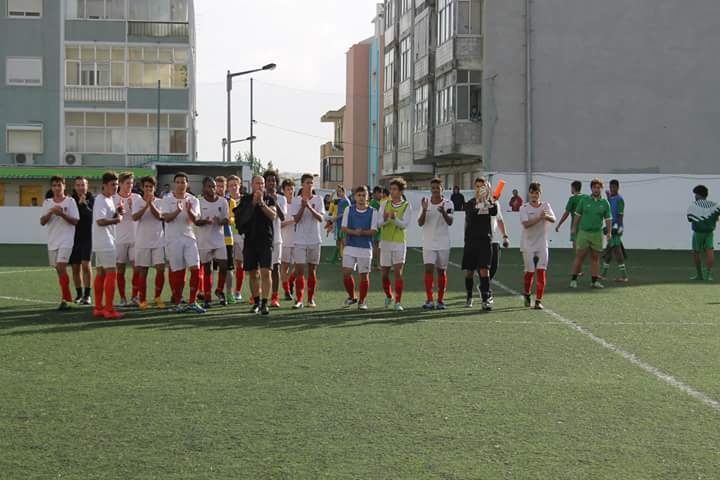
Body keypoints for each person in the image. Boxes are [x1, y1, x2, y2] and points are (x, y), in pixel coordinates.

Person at [161, 172, 205, 313]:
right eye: (178, 182)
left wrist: (189, 210)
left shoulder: (193, 200)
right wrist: (177, 211)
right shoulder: (167, 199)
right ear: (175, 184)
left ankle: (192, 301)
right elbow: (166, 218)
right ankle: (178, 302)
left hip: (189, 238)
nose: (180, 185)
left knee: (195, 268)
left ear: (187, 184)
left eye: (183, 182)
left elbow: (195, 220)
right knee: (178, 272)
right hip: (173, 239)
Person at [235, 175, 277, 314]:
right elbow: (241, 218)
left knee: (266, 272)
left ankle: (265, 303)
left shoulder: (269, 199)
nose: (260, 186)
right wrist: (253, 203)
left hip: (265, 240)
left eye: (262, 183)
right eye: (257, 183)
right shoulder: (246, 200)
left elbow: (273, 215)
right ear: (252, 185)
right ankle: (256, 302)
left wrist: (261, 203)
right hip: (250, 240)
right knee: (253, 273)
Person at [40, 176, 80, 311]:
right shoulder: (47, 202)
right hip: (53, 241)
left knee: (61, 266)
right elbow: (42, 222)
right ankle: (65, 298)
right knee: (58, 270)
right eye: (54, 185)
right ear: (51, 187)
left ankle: (67, 299)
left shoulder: (70, 201)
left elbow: (75, 221)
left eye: (59, 185)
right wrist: (51, 212)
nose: (57, 188)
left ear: (64, 186)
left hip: (66, 240)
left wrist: (62, 214)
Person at [91, 171, 125, 319]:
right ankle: (109, 310)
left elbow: (107, 218)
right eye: (112, 184)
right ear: (104, 185)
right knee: (111, 273)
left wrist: (117, 212)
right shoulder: (101, 200)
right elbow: (100, 221)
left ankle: (99, 308)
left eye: (116, 184)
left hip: (102, 241)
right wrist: (117, 219)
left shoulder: (108, 199)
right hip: (105, 242)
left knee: (101, 273)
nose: (115, 187)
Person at [290, 174, 325, 309]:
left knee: (312, 271)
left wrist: (309, 207)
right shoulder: (296, 200)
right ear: (302, 184)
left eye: (311, 182)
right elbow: (296, 219)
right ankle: (299, 300)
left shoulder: (318, 199)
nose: (310, 185)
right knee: (299, 271)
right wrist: (303, 207)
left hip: (314, 240)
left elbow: (320, 218)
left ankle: (310, 299)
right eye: (307, 182)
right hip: (299, 240)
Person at [418, 177, 454, 310]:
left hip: (443, 242)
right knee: (428, 269)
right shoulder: (425, 202)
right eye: (433, 188)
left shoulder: (448, 203)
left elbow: (450, 222)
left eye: (437, 188)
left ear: (442, 189)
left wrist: (443, 212)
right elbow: (420, 223)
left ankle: (440, 300)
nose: (435, 190)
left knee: (441, 271)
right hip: (428, 242)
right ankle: (429, 299)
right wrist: (424, 210)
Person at [462, 177, 497, 310]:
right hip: (471, 240)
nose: (479, 189)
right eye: (477, 186)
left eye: (482, 187)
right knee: (469, 271)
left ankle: (485, 299)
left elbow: (494, 210)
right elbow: (472, 213)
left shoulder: (490, 203)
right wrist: (481, 203)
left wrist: (487, 200)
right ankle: (469, 295)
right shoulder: (470, 203)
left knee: (484, 269)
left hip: (485, 241)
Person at [570, 178, 613, 289]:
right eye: (594, 187)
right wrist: (574, 228)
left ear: (601, 189)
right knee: (580, 257)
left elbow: (608, 219)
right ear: (591, 188)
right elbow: (577, 215)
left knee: (595, 258)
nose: (596, 189)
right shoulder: (584, 200)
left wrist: (609, 232)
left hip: (597, 234)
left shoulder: (605, 203)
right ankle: (573, 280)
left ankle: (594, 281)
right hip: (583, 233)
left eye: (598, 187)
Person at [341, 185, 379, 310]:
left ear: (368, 197)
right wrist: (354, 232)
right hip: (350, 246)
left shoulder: (373, 211)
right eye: (359, 195)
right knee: (346, 272)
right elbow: (344, 228)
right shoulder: (348, 209)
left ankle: (362, 301)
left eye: (364, 195)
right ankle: (352, 296)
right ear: (355, 197)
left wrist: (362, 232)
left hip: (365, 248)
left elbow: (374, 230)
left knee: (364, 275)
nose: (361, 198)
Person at [378, 177, 412, 311]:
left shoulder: (407, 205)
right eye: (391, 189)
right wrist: (386, 219)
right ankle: (389, 295)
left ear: (401, 191)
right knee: (384, 274)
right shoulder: (384, 204)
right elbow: (378, 223)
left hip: (399, 243)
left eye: (395, 189)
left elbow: (404, 225)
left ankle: (398, 302)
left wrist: (394, 218)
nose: (392, 192)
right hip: (385, 242)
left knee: (398, 273)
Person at [519, 182, 555, 310]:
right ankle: (527, 294)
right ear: (529, 193)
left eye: (537, 193)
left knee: (541, 271)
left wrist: (547, 216)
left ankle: (538, 300)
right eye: (532, 193)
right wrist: (540, 218)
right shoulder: (524, 208)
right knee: (530, 271)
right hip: (528, 244)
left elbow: (553, 219)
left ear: (540, 194)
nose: (534, 195)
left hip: (542, 243)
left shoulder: (546, 205)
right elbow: (526, 224)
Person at [131, 176, 166, 310]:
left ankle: (157, 297)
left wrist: (151, 204)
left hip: (158, 240)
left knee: (160, 268)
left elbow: (160, 216)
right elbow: (135, 217)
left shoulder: (160, 202)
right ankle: (143, 300)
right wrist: (146, 205)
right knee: (143, 271)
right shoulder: (137, 201)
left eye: (151, 187)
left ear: (154, 188)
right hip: (142, 241)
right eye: (146, 186)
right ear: (142, 188)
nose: (148, 189)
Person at [196, 177, 230, 309]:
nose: (212, 189)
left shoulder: (223, 201)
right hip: (204, 240)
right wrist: (206, 221)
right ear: (204, 188)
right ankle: (207, 297)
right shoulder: (199, 202)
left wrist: (220, 221)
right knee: (207, 269)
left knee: (224, 266)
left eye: (214, 186)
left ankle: (219, 290)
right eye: (209, 186)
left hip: (219, 239)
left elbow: (227, 220)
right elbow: (196, 221)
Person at [113, 172, 142, 307]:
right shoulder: (113, 198)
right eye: (127, 183)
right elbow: (110, 216)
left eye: (131, 183)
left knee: (137, 267)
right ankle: (122, 298)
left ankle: (135, 296)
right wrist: (117, 211)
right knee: (120, 269)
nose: (130, 185)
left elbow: (140, 215)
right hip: (119, 238)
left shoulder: (137, 197)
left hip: (135, 238)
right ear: (120, 184)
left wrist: (132, 208)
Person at [687, 185, 720, 281]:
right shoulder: (715, 205)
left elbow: (689, 219)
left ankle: (699, 275)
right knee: (710, 252)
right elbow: (717, 217)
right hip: (709, 232)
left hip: (698, 232)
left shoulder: (693, 205)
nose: (695, 196)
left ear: (698, 194)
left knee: (696, 252)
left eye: (695, 194)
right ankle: (707, 275)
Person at [262, 170, 285, 308]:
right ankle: (259, 295)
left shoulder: (281, 198)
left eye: (274, 181)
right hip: (263, 238)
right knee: (262, 269)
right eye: (269, 180)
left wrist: (275, 202)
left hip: (276, 238)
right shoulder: (260, 197)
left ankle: (275, 297)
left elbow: (282, 217)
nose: (271, 183)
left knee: (275, 268)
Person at [69, 176, 94, 305]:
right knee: (75, 267)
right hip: (72, 237)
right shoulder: (70, 200)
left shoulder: (92, 199)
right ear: (75, 187)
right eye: (78, 185)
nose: (80, 187)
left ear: (87, 186)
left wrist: (84, 205)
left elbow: (92, 217)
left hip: (88, 237)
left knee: (85, 264)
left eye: (83, 185)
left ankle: (87, 295)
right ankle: (78, 295)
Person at [600, 179, 629, 282]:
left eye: (614, 187)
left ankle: (624, 276)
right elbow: (610, 211)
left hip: (615, 229)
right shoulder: (611, 199)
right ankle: (603, 274)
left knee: (617, 251)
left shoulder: (619, 199)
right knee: (609, 251)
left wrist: (619, 227)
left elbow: (620, 214)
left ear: (617, 188)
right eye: (611, 187)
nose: (612, 189)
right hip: (611, 228)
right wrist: (608, 197)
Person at [215, 176, 236, 303]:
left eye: (222, 186)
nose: (219, 189)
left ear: (226, 187)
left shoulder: (230, 201)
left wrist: (228, 220)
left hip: (227, 239)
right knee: (210, 268)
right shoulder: (209, 200)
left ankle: (229, 293)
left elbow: (233, 218)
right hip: (211, 238)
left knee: (229, 268)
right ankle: (204, 292)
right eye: (217, 186)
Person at [488, 193, 511, 302]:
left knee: (494, 266)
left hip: (494, 239)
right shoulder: (475, 203)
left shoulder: (495, 203)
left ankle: (484, 285)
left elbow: (500, 220)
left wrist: (505, 236)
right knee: (483, 268)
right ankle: (486, 291)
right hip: (481, 240)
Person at [227, 175, 246, 302]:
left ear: (239, 186)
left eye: (235, 185)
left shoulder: (245, 200)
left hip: (241, 236)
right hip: (227, 236)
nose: (233, 187)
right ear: (228, 188)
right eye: (231, 185)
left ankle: (238, 291)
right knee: (228, 265)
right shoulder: (225, 201)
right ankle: (227, 292)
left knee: (240, 264)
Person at [555, 180, 586, 251]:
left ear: (573, 188)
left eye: (571, 188)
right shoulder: (586, 197)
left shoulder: (572, 199)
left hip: (575, 225)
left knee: (575, 243)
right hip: (585, 225)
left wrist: (559, 224)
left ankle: (578, 256)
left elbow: (566, 213)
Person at [280, 179, 297, 301]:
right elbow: (279, 224)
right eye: (288, 189)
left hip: (297, 241)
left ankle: (291, 281)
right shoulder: (282, 204)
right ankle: (286, 291)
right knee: (284, 267)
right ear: (283, 191)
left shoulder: (298, 204)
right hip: (285, 240)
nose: (290, 191)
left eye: (292, 189)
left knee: (299, 266)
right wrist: (292, 221)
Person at [369, 186, 384, 270]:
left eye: (381, 193)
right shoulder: (375, 203)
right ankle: (376, 264)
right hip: (376, 227)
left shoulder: (373, 202)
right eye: (380, 193)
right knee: (376, 246)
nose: (381, 195)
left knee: (375, 246)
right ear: (375, 193)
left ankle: (374, 264)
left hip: (374, 227)